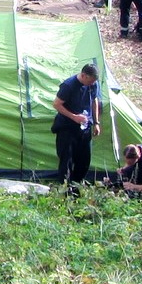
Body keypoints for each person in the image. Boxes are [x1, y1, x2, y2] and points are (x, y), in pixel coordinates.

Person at [51, 63, 102, 194]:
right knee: (66, 160)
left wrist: (96, 122)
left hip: (85, 128)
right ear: (84, 75)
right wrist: (74, 117)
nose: (91, 84)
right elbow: (56, 104)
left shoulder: (93, 85)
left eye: (93, 82)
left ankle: (76, 187)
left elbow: (94, 100)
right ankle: (64, 189)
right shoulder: (68, 85)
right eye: (90, 81)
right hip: (67, 128)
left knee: (84, 160)